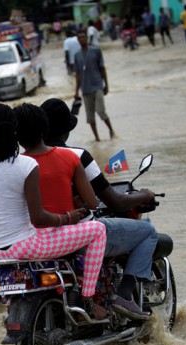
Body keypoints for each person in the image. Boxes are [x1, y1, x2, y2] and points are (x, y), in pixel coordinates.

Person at [0, 103, 108, 319]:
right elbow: (39, 218)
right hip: (27, 247)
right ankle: (87, 300)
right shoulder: (26, 164)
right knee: (98, 230)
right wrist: (68, 217)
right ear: (15, 131)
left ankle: (12, 312)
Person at [40, 98, 156, 320]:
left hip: (43, 237)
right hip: (80, 234)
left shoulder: (26, 160)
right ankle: (123, 295)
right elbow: (115, 202)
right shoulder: (76, 156)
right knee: (148, 231)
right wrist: (145, 194)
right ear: (66, 129)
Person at [73, 30, 115, 142]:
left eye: (83, 37)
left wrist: (106, 85)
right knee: (90, 117)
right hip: (85, 89)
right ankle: (97, 138)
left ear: (87, 38)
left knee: (101, 111)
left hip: (97, 86)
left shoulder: (96, 51)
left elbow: (102, 68)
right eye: (79, 37)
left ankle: (111, 130)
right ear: (77, 40)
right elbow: (77, 74)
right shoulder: (77, 55)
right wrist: (76, 91)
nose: (82, 39)